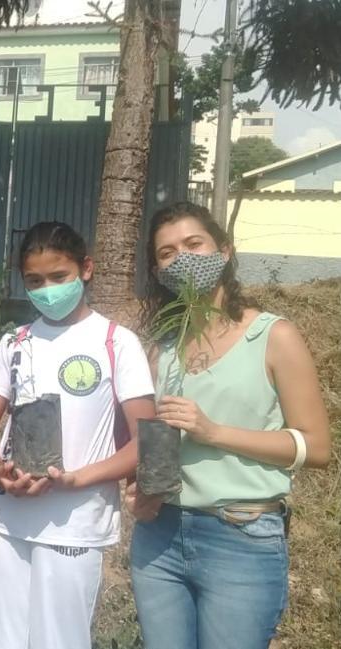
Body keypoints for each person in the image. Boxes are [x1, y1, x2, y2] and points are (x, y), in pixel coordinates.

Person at [128, 202, 330, 649]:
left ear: (224, 251)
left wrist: (214, 431)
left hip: (240, 535)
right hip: (159, 536)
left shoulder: (274, 337)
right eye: (166, 253)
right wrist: (141, 485)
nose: (181, 258)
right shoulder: (162, 348)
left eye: (193, 244)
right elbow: (155, 442)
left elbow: (317, 449)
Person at [0, 222, 156, 649]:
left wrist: (75, 480)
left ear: (86, 269)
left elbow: (144, 443)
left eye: (59, 277)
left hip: (74, 521)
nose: (47, 290)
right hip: (5, 518)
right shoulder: (14, 342)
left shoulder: (117, 343)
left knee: (60, 639)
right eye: (34, 281)